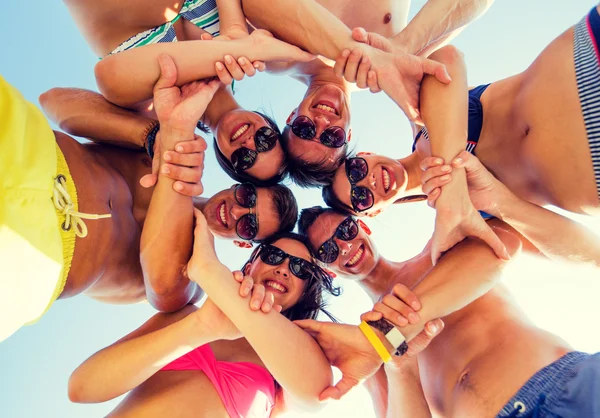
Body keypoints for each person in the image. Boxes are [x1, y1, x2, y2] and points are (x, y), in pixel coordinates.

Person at [0, 63, 297, 341]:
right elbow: (54, 101)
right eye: (247, 198)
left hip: (27, 260)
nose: (236, 210)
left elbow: (164, 289)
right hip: (25, 149)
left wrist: (175, 142)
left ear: (244, 243)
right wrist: (152, 136)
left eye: (249, 224)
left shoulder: (196, 274)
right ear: (238, 185)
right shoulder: (164, 138)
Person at [333, 4, 600, 263]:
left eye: (355, 170)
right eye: (361, 197)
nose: (367, 182)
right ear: (374, 212)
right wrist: (500, 201)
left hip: (588, 50)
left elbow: (446, 60)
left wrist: (453, 186)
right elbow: (591, 254)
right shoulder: (467, 219)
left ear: (366, 154)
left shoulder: (419, 113)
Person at [296, 206, 600, 416]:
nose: (345, 247)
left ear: (362, 225)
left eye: (345, 230)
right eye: (328, 251)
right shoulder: (364, 350)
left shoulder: (439, 248)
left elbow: (503, 248)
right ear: (328, 271)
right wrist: (400, 367)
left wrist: (387, 335)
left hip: (564, 386)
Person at [212, 0, 495, 187]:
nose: (321, 123)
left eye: (304, 128)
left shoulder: (277, 59)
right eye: (331, 138)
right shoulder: (397, 63)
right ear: (346, 134)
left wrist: (377, 57)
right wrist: (404, 46)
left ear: (291, 116)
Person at [67, 229, 341, 417]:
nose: (283, 269)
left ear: (306, 290)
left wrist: (209, 270)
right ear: (249, 267)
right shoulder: (184, 316)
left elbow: (318, 393)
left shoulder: (290, 367)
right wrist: (201, 327)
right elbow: (82, 388)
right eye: (273, 256)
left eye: (300, 269)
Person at [64, 0, 315, 185]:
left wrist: (247, 49)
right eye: (265, 140)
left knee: (116, 85)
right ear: (268, 122)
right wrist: (235, 30)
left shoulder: (162, 110)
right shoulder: (243, 42)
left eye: (245, 158)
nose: (250, 142)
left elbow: (108, 75)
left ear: (224, 158)